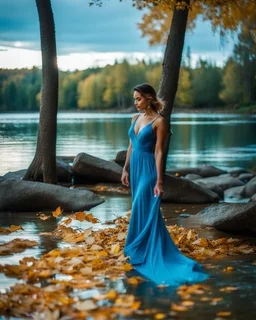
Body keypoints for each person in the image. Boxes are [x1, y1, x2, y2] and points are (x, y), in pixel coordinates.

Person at [121, 83, 209, 286]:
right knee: (140, 209)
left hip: (149, 172)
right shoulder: (135, 118)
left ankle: (138, 250)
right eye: (134, 99)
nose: (135, 103)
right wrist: (125, 168)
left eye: (139, 99)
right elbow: (131, 146)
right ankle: (141, 248)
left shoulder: (160, 122)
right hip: (135, 169)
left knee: (140, 209)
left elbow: (159, 151)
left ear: (149, 98)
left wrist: (159, 181)